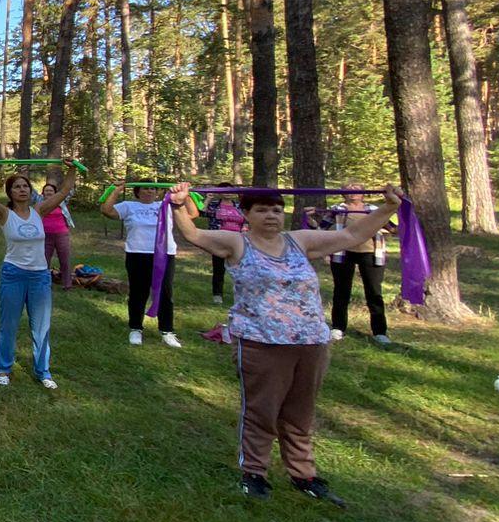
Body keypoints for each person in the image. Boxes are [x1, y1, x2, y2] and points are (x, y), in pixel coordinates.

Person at [168, 182, 402, 505]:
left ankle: (303, 475)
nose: (271, 216)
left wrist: (388, 208)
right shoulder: (238, 243)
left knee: (300, 413)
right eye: (262, 209)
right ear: (246, 214)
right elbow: (194, 235)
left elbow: (350, 237)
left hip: (310, 342)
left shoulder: (299, 241)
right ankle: (254, 473)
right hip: (261, 343)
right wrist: (179, 205)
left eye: (277, 209)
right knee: (261, 411)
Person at [0, 160, 77, 388]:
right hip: (13, 274)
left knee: (41, 327)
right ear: (10, 193)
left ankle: (43, 372)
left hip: (40, 276)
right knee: (8, 325)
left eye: (25, 186)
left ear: (31, 191)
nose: (22, 190)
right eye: (17, 187)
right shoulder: (4, 214)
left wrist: (71, 169)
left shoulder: (39, 210)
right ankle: (4, 368)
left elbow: (63, 192)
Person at [103, 183, 198, 346]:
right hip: (137, 253)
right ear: (137, 192)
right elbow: (106, 211)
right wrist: (116, 191)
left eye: (152, 188)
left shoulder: (166, 204)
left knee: (165, 293)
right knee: (138, 292)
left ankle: (167, 331)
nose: (149, 190)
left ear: (157, 192)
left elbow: (192, 214)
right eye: (145, 188)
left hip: (164, 253)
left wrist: (185, 194)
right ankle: (135, 328)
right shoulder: (128, 206)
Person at [326, 182, 394, 345]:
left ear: (364, 193)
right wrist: (310, 217)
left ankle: (380, 332)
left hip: (371, 254)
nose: (353, 193)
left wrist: (402, 214)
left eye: (357, 190)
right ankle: (338, 328)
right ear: (343, 194)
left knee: (374, 293)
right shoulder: (337, 209)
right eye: (349, 190)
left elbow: (393, 229)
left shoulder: (374, 210)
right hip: (343, 253)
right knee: (341, 291)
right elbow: (321, 227)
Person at [203, 185, 245, 306]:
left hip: (238, 241)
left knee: (240, 270)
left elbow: (247, 220)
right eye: (224, 190)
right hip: (219, 240)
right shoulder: (215, 204)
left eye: (230, 190)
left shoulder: (239, 205)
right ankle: (217, 296)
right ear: (219, 192)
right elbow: (203, 212)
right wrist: (208, 199)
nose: (227, 193)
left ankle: (240, 295)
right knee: (219, 269)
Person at [39, 177, 75, 289]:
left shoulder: (61, 201)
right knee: (44, 260)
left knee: (64, 259)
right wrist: (23, 172)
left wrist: (72, 170)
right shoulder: (39, 203)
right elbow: (29, 191)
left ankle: (67, 284)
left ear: (55, 193)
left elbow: (70, 190)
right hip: (45, 236)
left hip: (61, 234)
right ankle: (44, 283)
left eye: (51, 191)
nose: (49, 192)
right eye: (46, 191)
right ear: (43, 193)